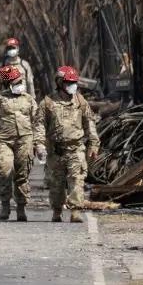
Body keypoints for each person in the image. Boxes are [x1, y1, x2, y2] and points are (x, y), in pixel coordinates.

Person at [37, 66, 101, 223]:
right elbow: (39, 125)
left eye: (74, 82)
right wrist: (39, 144)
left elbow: (89, 123)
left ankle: (75, 211)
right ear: (59, 83)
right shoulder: (48, 103)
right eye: (68, 82)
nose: (72, 85)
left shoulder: (80, 101)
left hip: (76, 149)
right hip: (55, 151)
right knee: (56, 184)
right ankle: (57, 210)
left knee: (77, 179)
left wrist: (93, 144)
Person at [0, 65, 44, 221]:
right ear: (8, 84)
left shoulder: (29, 99)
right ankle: (5, 205)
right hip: (3, 141)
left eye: (20, 81)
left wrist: (39, 143)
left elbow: (38, 122)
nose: (20, 84)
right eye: (16, 82)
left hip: (25, 140)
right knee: (4, 171)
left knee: (22, 175)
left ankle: (21, 207)